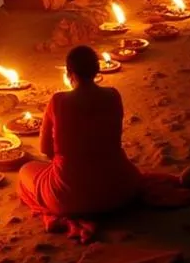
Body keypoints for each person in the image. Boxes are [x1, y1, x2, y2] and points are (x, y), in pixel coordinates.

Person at [19, 45, 140, 223]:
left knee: (25, 170)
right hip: (119, 189)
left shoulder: (58, 101)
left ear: (70, 74)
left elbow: (45, 149)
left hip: (69, 197)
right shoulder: (113, 96)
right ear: (97, 70)